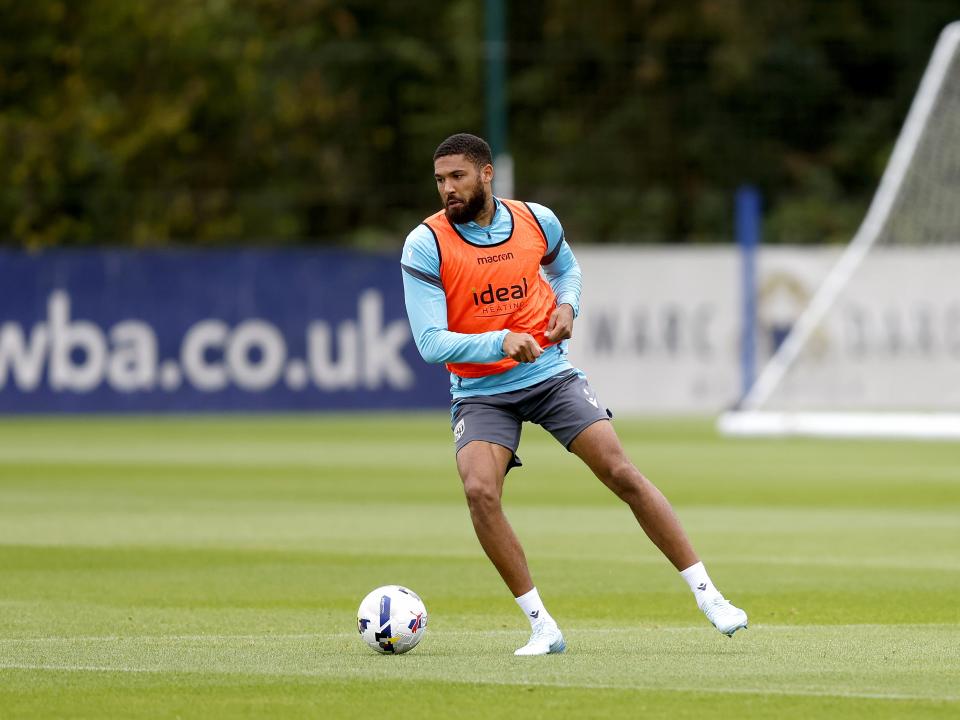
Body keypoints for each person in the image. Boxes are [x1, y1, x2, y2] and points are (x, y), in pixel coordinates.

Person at [400, 132, 747, 656]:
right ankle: (542, 626)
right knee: (479, 493)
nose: (447, 189)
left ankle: (710, 596)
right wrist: (499, 339)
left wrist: (568, 306)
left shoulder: (537, 220)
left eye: (458, 177)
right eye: (440, 180)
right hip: (481, 391)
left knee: (621, 472)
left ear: (486, 174)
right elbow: (429, 342)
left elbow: (567, 270)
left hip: (549, 375)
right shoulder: (426, 244)